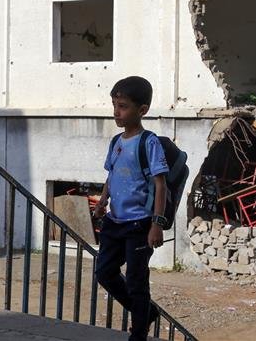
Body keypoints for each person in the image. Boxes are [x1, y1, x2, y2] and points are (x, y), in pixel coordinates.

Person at [93, 76, 169, 341]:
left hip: (140, 224)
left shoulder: (149, 142)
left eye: (123, 106)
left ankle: (138, 332)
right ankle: (145, 312)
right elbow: (111, 176)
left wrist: (156, 224)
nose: (117, 112)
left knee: (137, 281)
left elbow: (161, 185)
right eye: (114, 105)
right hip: (115, 221)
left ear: (142, 110)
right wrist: (102, 202)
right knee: (104, 272)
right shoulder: (116, 142)